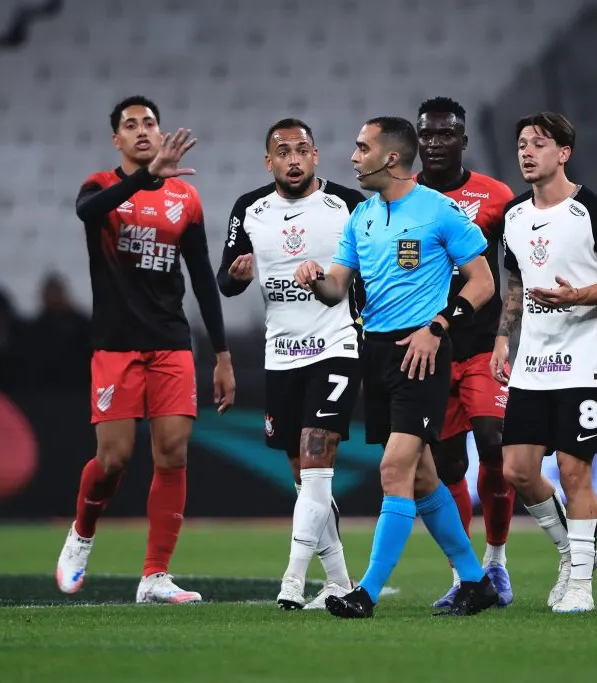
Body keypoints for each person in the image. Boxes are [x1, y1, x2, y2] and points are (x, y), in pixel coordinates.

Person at [294, 116, 497, 618]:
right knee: (424, 478)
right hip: (377, 354)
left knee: (393, 469)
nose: (352, 157)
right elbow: (337, 288)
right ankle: (475, 581)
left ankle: (364, 593)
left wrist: (439, 326)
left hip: (422, 352)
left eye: (362, 147)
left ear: (391, 158)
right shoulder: (360, 216)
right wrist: (314, 278)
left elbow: (483, 281)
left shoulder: (439, 211)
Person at [55, 95, 236, 603]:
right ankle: (82, 533)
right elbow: (87, 212)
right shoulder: (102, 187)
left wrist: (221, 355)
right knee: (113, 460)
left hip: (171, 343)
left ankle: (155, 576)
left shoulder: (186, 200)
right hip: (115, 345)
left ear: (160, 133)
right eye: (130, 125)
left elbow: (202, 280)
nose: (141, 130)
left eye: (149, 123)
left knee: (172, 454)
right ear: (117, 139)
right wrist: (144, 177)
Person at [491, 112, 597, 613]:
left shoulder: (594, 210)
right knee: (517, 469)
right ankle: (571, 552)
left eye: (538, 143)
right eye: (521, 144)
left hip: (584, 363)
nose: (526, 152)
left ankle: (580, 586)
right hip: (532, 364)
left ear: (564, 153)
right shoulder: (512, 216)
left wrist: (581, 295)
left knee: (575, 472)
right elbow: (515, 283)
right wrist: (501, 340)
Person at [218, 118, 365, 610]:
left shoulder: (348, 204)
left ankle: (292, 579)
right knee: (304, 475)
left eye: (302, 150)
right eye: (283, 152)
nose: (294, 159)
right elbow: (225, 279)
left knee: (318, 458)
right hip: (281, 355)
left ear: (316, 155)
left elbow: (378, 264)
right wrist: (238, 276)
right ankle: (340, 582)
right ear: (269, 162)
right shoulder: (250, 209)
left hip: (337, 344)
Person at [414, 96, 517, 608]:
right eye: (427, 135)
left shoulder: (495, 197)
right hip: (429, 350)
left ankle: (497, 563)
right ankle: (465, 573)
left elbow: (518, 269)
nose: (435, 143)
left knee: (495, 446)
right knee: (448, 464)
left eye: (445, 134)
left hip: (481, 346)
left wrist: (508, 333)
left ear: (463, 140)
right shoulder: (402, 198)